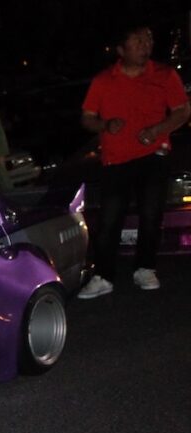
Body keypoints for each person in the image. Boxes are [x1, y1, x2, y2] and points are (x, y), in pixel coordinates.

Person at [77, 23, 190, 298]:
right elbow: (87, 118)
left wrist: (157, 130)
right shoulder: (104, 80)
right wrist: (105, 124)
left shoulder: (164, 75)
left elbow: (182, 111)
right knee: (110, 219)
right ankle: (103, 275)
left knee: (151, 215)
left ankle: (145, 268)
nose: (145, 46)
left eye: (148, 41)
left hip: (154, 155)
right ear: (121, 49)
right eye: (138, 42)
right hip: (116, 160)